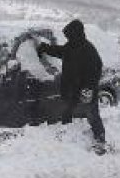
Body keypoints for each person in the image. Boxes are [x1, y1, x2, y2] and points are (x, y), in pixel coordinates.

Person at [36, 19, 107, 155]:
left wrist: (88, 89)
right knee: (67, 109)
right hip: (70, 88)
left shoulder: (88, 50)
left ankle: (100, 139)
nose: (67, 38)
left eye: (69, 35)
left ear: (76, 34)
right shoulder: (71, 46)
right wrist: (45, 48)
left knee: (92, 114)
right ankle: (67, 131)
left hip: (85, 90)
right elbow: (59, 51)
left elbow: (96, 70)